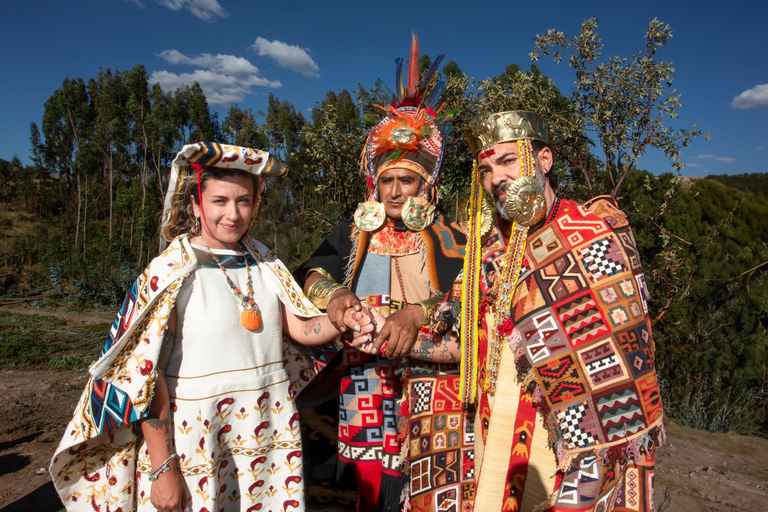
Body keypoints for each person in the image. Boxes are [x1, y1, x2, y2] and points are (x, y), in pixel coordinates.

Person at [50, 142, 374, 512]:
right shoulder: (171, 272)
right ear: (195, 204)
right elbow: (147, 375)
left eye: (244, 201)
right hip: (196, 441)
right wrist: (163, 468)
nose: (232, 214)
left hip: (268, 428)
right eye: (220, 201)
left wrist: (339, 320)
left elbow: (300, 331)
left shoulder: (265, 263)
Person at [403, 111, 665, 511]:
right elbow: (461, 347)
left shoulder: (591, 235)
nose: (496, 179)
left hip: (566, 457)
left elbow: (616, 372)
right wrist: (391, 337)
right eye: (486, 169)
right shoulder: (487, 253)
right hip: (494, 447)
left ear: (545, 161)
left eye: (507, 161)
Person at [295, 33, 471, 512]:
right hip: (365, 387)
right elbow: (311, 272)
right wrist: (334, 296)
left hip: (435, 392)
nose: (395, 191)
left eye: (406, 179)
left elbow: (473, 296)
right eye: (387, 180)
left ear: (426, 183)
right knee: (371, 492)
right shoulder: (353, 234)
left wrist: (416, 312)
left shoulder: (456, 238)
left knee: (430, 491)